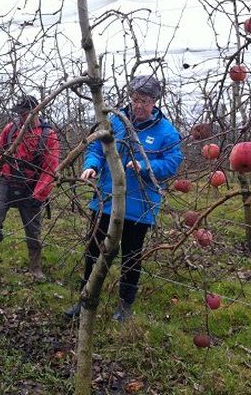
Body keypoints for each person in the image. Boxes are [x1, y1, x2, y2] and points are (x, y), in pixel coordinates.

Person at [64, 74, 183, 322]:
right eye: (136, 99)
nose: (139, 105)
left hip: (139, 207)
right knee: (94, 251)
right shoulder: (115, 122)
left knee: (131, 256)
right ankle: (85, 299)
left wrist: (145, 166)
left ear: (155, 101)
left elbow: (172, 163)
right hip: (106, 201)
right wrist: (93, 165)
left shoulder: (166, 132)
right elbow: (97, 146)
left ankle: (124, 308)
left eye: (146, 101)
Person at [0, 95, 59, 280]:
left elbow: (50, 168)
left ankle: (35, 268)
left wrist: (39, 194)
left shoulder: (48, 135)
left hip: (32, 185)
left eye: (25, 113)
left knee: (33, 229)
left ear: (35, 111)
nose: (21, 116)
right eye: (19, 113)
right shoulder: (11, 130)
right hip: (7, 180)